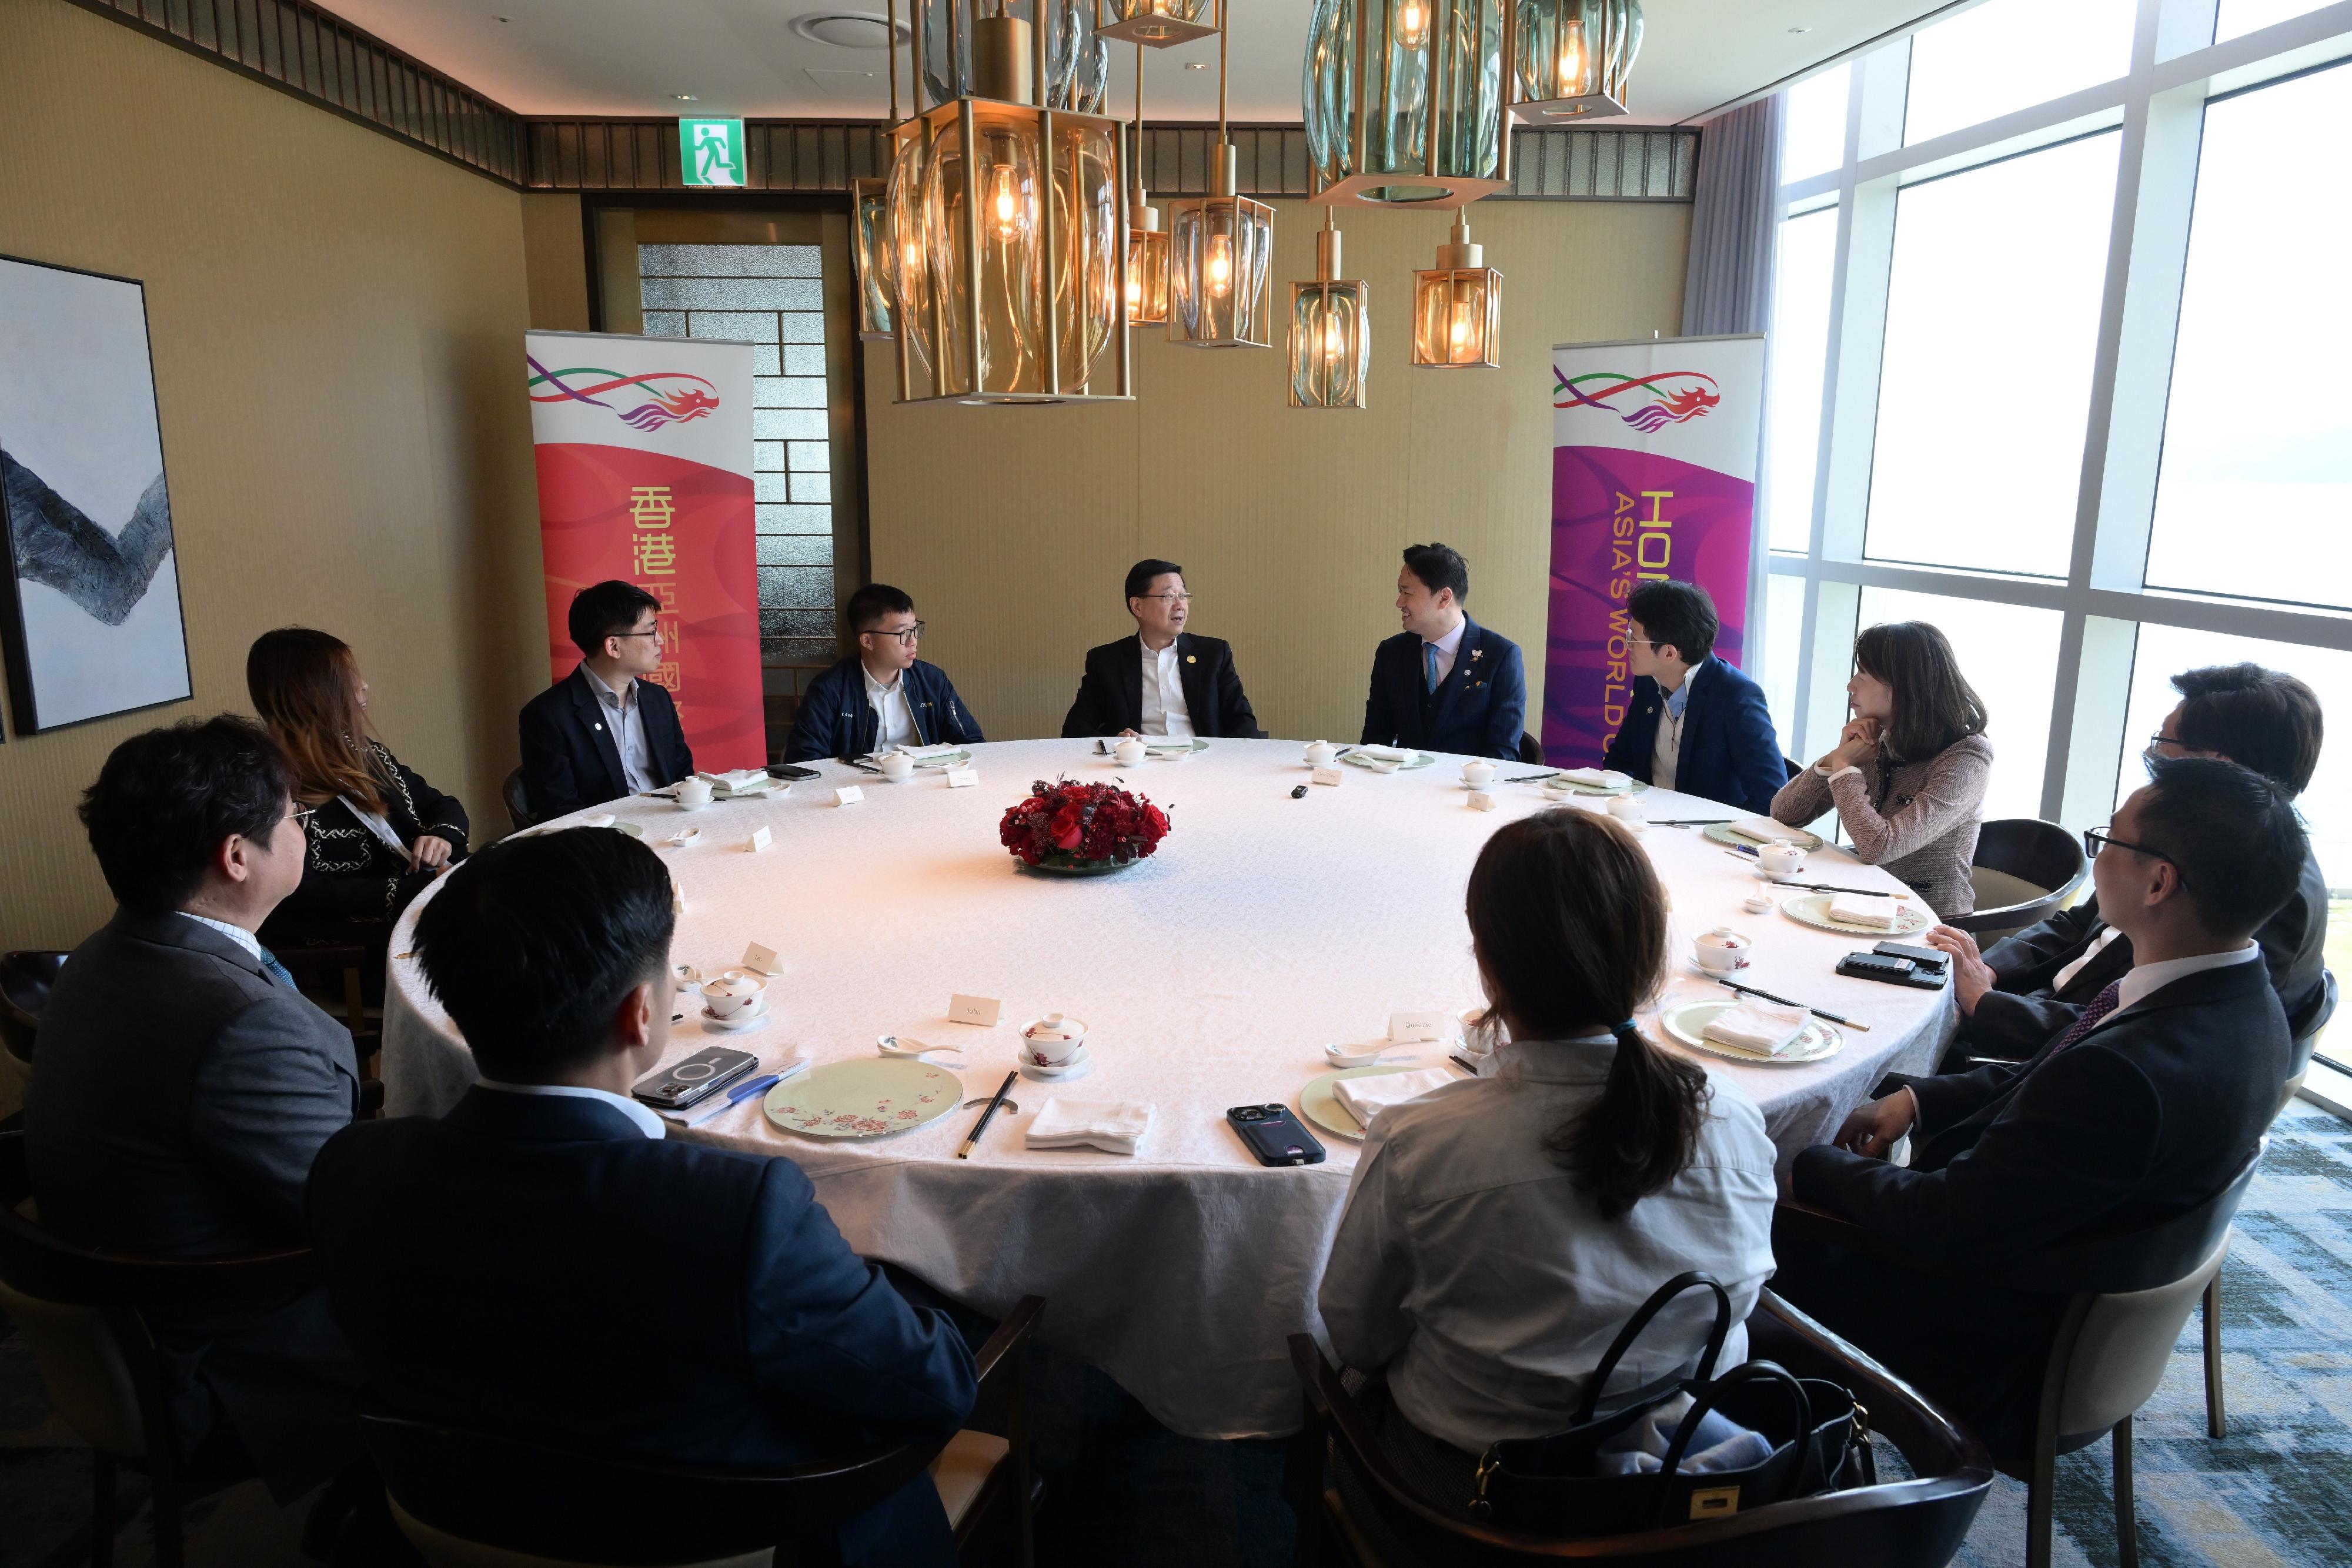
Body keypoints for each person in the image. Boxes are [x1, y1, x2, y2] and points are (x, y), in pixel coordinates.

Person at [306, 828, 979, 1566]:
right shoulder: (737, 1213)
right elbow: (934, 1387)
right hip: (729, 1537)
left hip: (449, 1525)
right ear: (641, 1014)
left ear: (458, 1011)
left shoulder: (352, 1170)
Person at [1775, 757, 2303, 1461]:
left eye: (2108, 841)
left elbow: (1945, 1222)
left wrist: (1802, 1163)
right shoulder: (2244, 1004)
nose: (2098, 859)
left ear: (2158, 881)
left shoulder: (2125, 1074)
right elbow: (2047, 1076)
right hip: (2060, 1287)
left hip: (1990, 1341)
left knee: (1735, 1224)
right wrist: (1918, 1099)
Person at [1318, 808, 1778, 1500]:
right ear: (1650, 954)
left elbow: (1358, 1340)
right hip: (1684, 1483)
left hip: (1479, 1501)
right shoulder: (1734, 1118)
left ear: (1488, 967)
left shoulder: (1420, 1145)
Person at [25, 717, 363, 1503]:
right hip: (223, 1363)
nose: (302, 831)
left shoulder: (101, 955)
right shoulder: (239, 1019)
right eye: (291, 817)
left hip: (134, 1313)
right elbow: (349, 1216)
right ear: (237, 855)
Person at [1927, 661, 2331, 1055]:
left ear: (2215, 765)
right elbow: (2077, 925)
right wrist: (1989, 969)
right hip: (2036, 1006)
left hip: (2060, 1057)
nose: (2148, 754)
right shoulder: (2181, 836)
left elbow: (2151, 1030)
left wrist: (1986, 1003)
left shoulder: (2262, 884)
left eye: (2163, 743)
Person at [247, 627, 469, 962]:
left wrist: (441, 837)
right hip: (366, 947)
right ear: (307, 692)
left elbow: (443, 805)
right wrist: (417, 888)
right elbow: (305, 893)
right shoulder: (274, 789)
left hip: (434, 906)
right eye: (346, 677)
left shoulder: (366, 753)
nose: (363, 685)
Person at [1768, 621, 1992, 918]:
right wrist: (1832, 762)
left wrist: (1845, 769)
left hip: (1928, 928)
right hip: (1860, 907)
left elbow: (1879, 848)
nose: (1850, 685)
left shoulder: (1967, 756)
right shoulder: (1880, 740)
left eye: (1862, 673)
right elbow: (1784, 815)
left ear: (1902, 684)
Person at [1600, 580, 1785, 813]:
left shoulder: (1737, 697)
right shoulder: (1649, 682)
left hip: (1707, 837)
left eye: (1634, 638)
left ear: (1669, 653)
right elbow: (1620, 761)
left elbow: (1770, 799)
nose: (1627, 645)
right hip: (1646, 825)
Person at [519, 580, 695, 820]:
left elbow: (683, 778)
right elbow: (561, 812)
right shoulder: (548, 715)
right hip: (606, 845)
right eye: (651, 631)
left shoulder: (657, 699)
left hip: (674, 829)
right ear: (613, 646)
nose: (661, 640)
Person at [1060, 559, 1264, 739]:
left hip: (1202, 763)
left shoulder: (1214, 654)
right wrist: (1115, 742)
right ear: (1137, 606)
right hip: (1138, 767)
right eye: (1168, 597)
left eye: (1183, 596)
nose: (1180, 605)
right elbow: (1076, 728)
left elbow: (1244, 723)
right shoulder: (1106, 661)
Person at [1361, 543, 1527, 761]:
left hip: (1466, 790)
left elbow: (1503, 753)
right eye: (1400, 592)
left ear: (1444, 598)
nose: (1399, 602)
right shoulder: (1391, 653)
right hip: (1402, 789)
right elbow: (1375, 741)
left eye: (1407, 593)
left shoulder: (1502, 656)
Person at [784, 583, 985, 763]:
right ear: (867, 641)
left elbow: (971, 742)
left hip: (924, 785)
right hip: (857, 791)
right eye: (902, 633)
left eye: (915, 629)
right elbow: (805, 760)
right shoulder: (830, 689)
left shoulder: (932, 680)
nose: (913, 640)